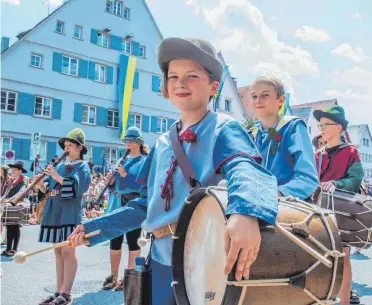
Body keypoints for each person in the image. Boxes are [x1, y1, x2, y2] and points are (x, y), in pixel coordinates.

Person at [68, 37, 278, 305]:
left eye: (192, 76)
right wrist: (95, 228)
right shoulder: (163, 142)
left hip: (203, 260)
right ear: (166, 87)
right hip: (160, 259)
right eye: (174, 76)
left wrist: (246, 212)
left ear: (214, 86)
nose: (180, 83)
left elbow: (246, 169)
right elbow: (146, 205)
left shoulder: (224, 128)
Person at [33, 128, 91, 305]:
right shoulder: (58, 166)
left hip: (69, 212)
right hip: (54, 211)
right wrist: (41, 185)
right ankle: (58, 290)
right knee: (58, 251)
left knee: (67, 250)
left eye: (70, 145)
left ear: (79, 147)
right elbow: (49, 189)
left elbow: (76, 189)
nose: (66, 149)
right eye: (65, 146)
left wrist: (56, 176)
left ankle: (66, 293)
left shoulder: (82, 166)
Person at [313, 105, 364, 305]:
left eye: (326, 125)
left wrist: (336, 184)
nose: (321, 128)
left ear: (339, 128)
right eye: (320, 125)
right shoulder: (317, 154)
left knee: (343, 259)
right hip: (319, 211)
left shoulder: (351, 151)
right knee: (318, 258)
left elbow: (356, 178)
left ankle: (344, 302)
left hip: (342, 210)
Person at [249, 76, 319, 200]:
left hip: (287, 205)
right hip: (254, 200)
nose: (258, 101)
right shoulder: (252, 133)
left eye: (265, 95)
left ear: (280, 100)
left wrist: (279, 193)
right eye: (254, 96)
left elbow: (307, 178)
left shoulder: (293, 128)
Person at [101, 126, 148, 291]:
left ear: (138, 143)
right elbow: (116, 187)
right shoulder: (122, 160)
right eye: (126, 141)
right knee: (115, 241)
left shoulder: (144, 161)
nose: (127, 143)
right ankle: (113, 276)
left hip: (133, 205)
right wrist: (111, 182)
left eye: (130, 140)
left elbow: (141, 185)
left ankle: (128, 277)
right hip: (116, 203)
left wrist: (123, 175)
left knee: (133, 242)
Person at [0, 161, 28, 257]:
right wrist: (2, 199)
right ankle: (8, 248)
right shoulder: (12, 180)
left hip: (18, 204)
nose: (12, 171)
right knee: (8, 226)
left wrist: (9, 199)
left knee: (15, 226)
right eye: (12, 169)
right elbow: (7, 192)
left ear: (20, 170)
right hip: (9, 204)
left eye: (14, 169)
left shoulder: (24, 179)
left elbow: (21, 191)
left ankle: (14, 249)